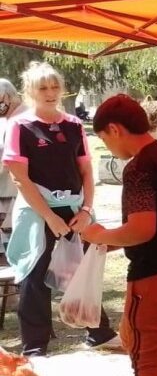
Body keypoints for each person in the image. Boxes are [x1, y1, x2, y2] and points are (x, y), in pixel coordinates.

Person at [82, 95, 157, 376]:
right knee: (136, 336)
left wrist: (100, 234)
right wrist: (111, 242)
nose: (108, 147)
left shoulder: (139, 167)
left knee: (145, 351)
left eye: (104, 139)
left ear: (114, 129)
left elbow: (142, 229)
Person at [3, 63, 117, 356]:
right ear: (30, 91)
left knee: (82, 272)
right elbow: (19, 177)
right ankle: (35, 347)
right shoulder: (20, 126)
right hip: (36, 211)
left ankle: (99, 332)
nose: (50, 93)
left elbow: (87, 172)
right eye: (43, 88)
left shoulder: (73, 125)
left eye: (55, 87)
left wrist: (87, 210)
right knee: (33, 275)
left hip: (75, 209)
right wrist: (49, 216)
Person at [0, 79, 26, 255]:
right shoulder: (8, 120)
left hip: (15, 196)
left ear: (6, 96)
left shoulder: (21, 121)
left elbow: (7, 161)